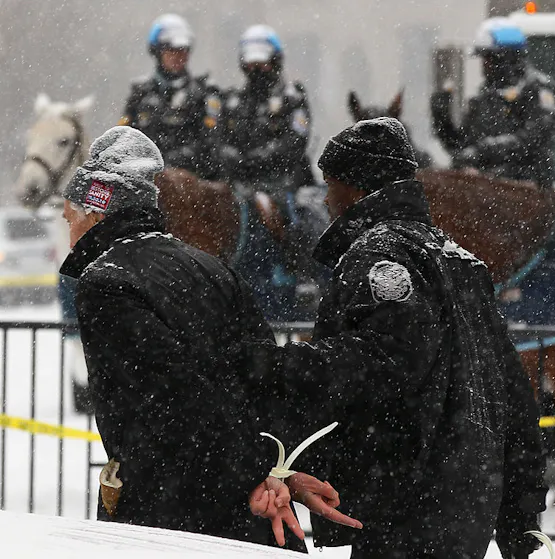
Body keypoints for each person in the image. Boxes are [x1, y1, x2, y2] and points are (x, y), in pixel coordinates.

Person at [246, 117, 548, 558]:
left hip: (405, 503)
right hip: (465, 502)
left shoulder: (380, 256)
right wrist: (521, 513)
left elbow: (376, 368)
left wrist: (273, 364)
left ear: (359, 188)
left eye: (332, 184)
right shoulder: (461, 261)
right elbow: (510, 393)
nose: (327, 199)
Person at [58, 126, 360, 548]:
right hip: (246, 509)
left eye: (70, 216)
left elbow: (173, 401)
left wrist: (256, 476)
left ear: (95, 213)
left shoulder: (105, 283)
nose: (68, 230)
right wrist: (277, 471)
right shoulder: (210, 266)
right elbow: (261, 376)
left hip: (171, 512)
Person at [431, 17, 555, 188]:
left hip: (526, 188)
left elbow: (533, 138)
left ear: (506, 59)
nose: (483, 66)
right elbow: (463, 147)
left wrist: (483, 152)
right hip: (481, 189)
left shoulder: (538, 91)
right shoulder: (485, 98)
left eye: (488, 59)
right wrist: (442, 120)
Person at [118, 14, 222, 177]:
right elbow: (124, 138)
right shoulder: (140, 94)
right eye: (171, 51)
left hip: (191, 184)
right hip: (144, 179)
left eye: (183, 50)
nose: (178, 56)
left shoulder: (203, 93)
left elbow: (211, 143)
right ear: (157, 52)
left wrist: (174, 162)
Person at [218, 24, 313, 197]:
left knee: (309, 215)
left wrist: (260, 159)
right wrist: (232, 157)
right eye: (251, 63)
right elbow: (219, 139)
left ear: (275, 61)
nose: (256, 69)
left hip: (286, 183)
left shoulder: (292, 98)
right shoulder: (233, 102)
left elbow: (296, 140)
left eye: (262, 63)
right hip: (241, 185)